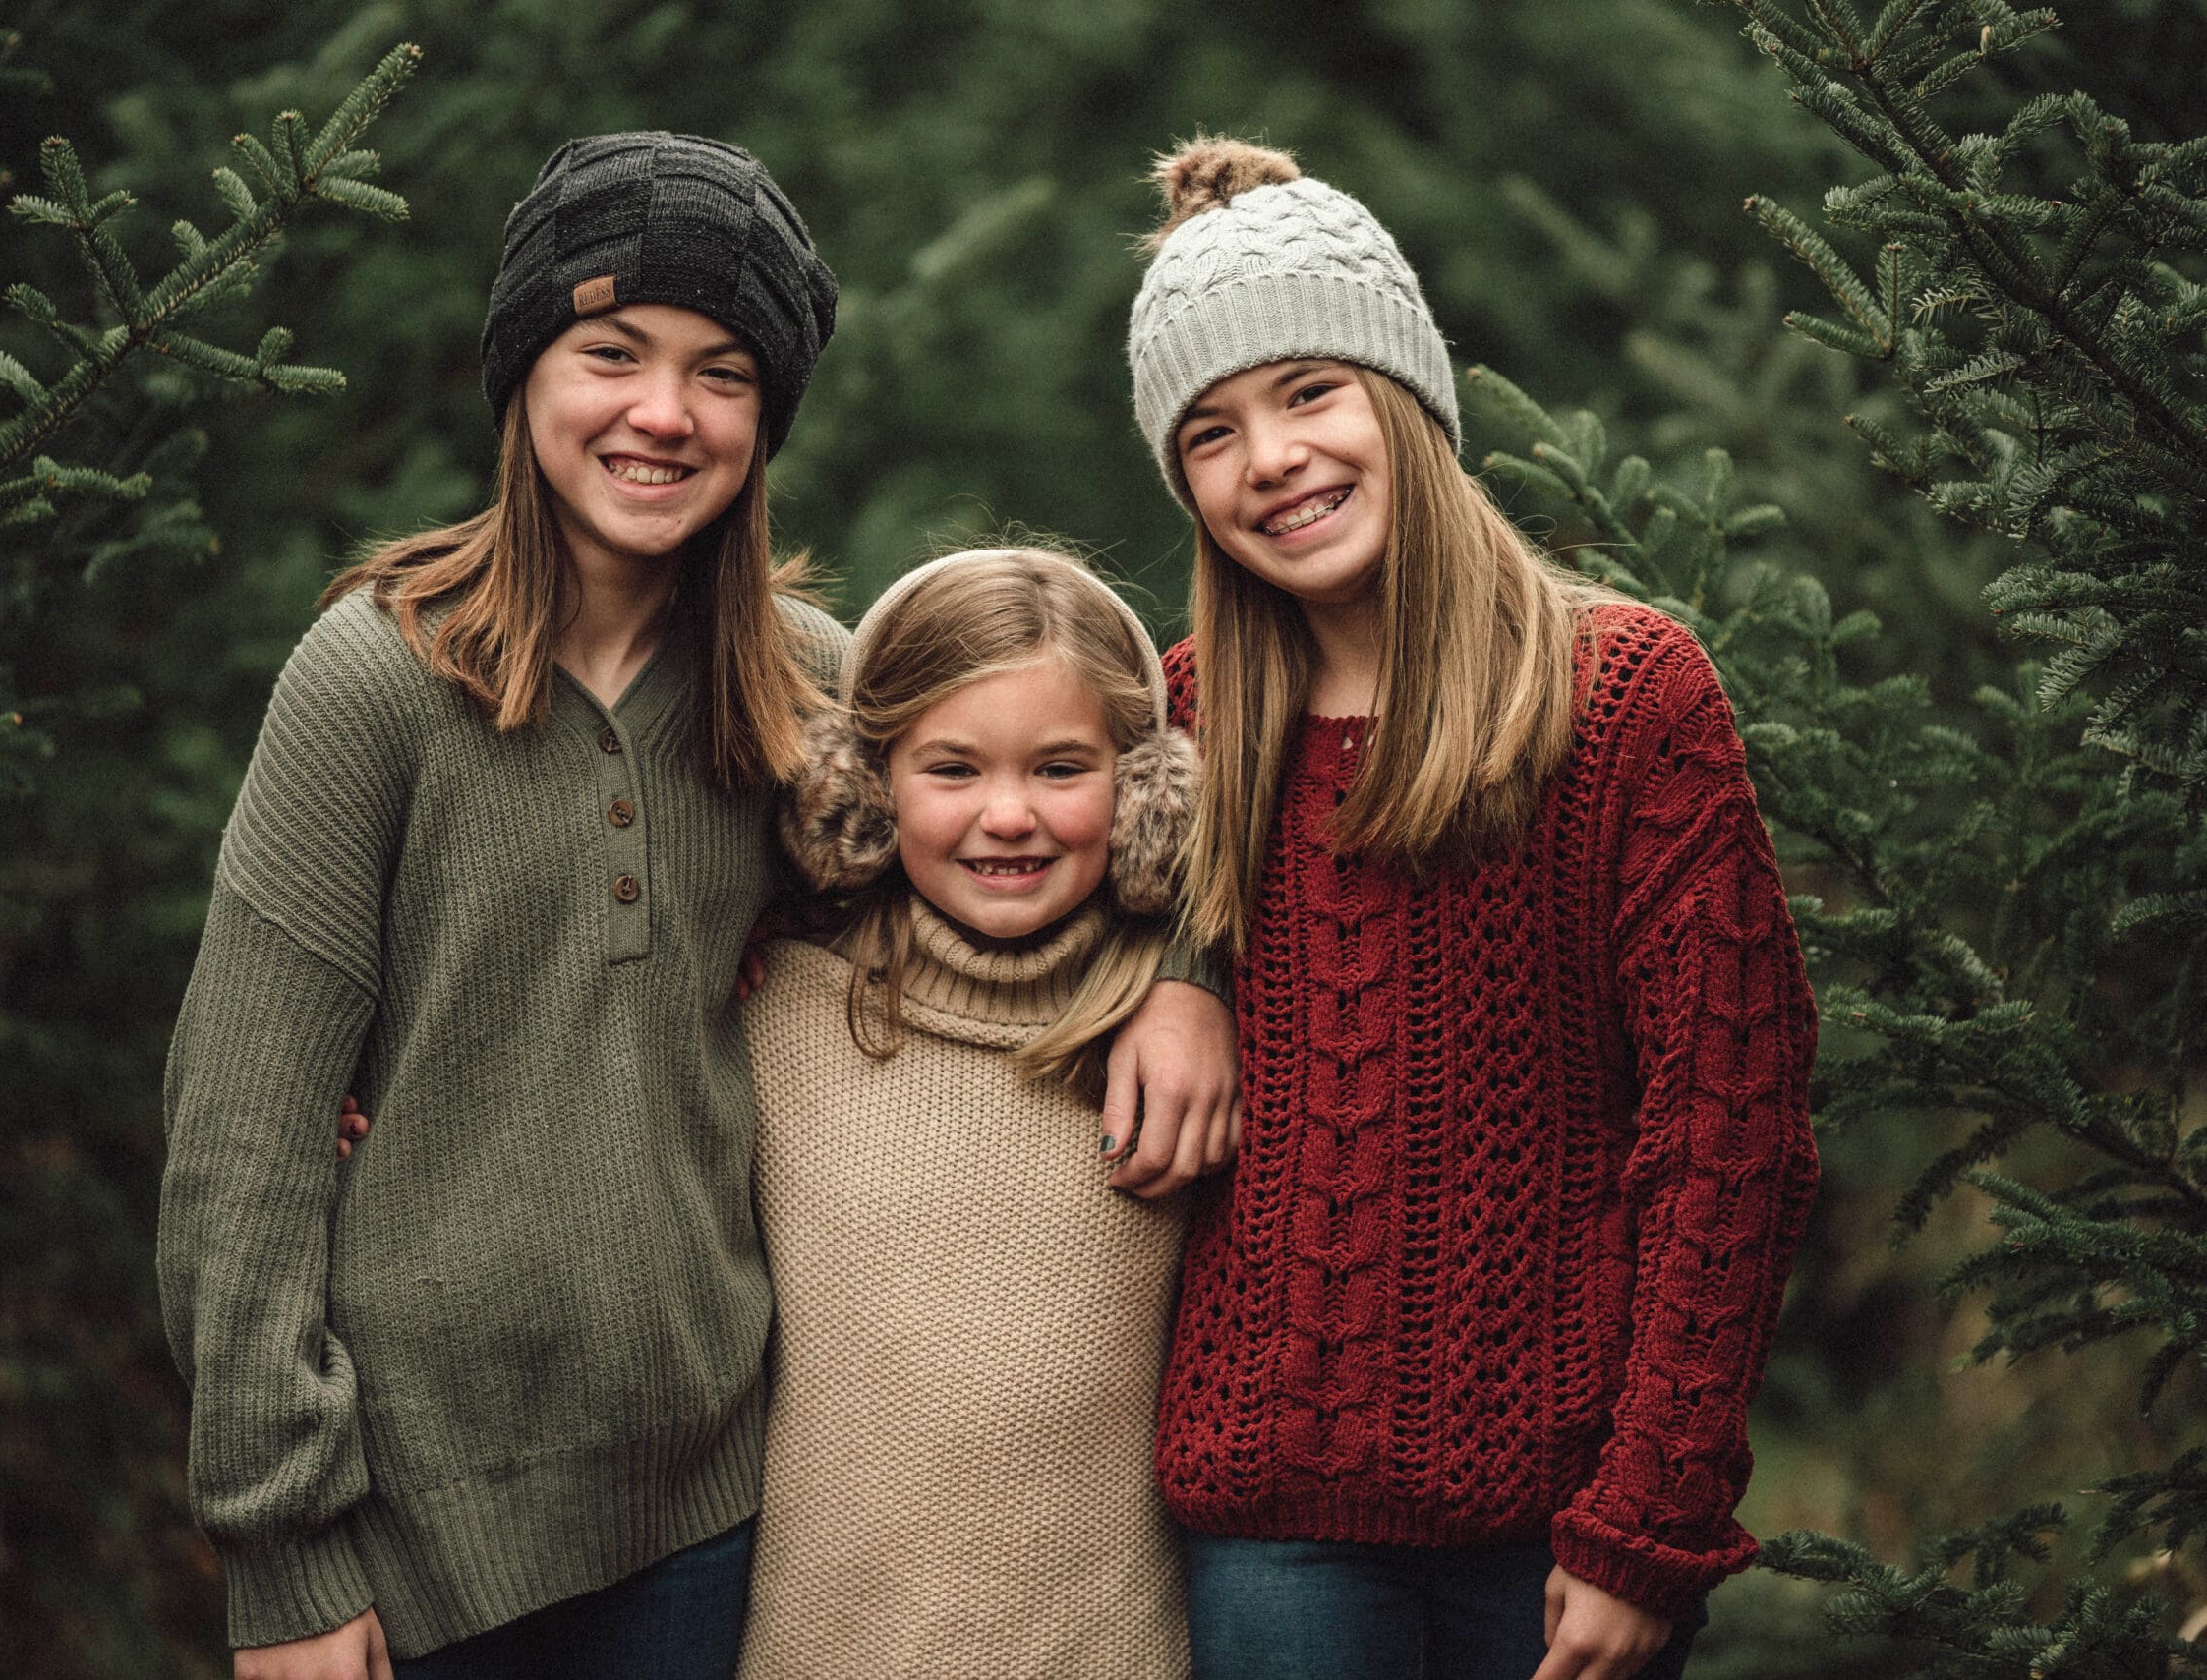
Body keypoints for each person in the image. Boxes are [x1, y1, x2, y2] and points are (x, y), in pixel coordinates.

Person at [158, 135, 1234, 1680]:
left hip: (704, 1522)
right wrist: (282, 1552)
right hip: (411, 1522)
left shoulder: (801, 690)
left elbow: (1060, 782)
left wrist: (1191, 972)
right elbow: (241, 1144)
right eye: (612, 353)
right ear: (526, 372)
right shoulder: (375, 682)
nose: (661, 413)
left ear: (764, 417)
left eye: (721, 372)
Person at [1123, 138, 1822, 1680]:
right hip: (1271, 1523)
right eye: (1212, 433)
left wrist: (1651, 1516)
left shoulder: (1626, 698)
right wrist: (1180, 967)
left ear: (1411, 397)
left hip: (1561, 1519)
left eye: (1312, 393)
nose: (1273, 462)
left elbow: (1731, 1129)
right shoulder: (1185, 716)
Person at [736, 545, 1199, 1678]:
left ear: (1144, 793)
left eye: (1059, 767)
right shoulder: (774, 1010)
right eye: (951, 768)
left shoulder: (1182, 1046)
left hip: (1119, 1648)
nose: (1007, 815)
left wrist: (1199, 981)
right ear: (860, 783)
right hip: (820, 1645)